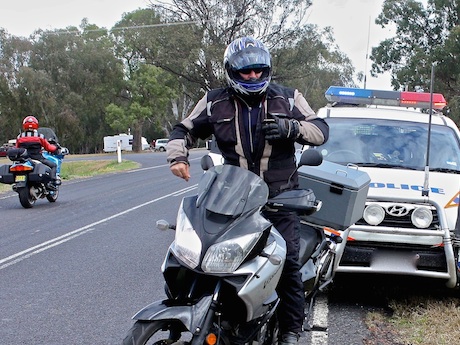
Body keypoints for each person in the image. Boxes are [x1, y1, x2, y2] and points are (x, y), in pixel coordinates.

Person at [166, 36, 329, 344]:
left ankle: (291, 332)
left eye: (258, 70)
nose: (253, 76)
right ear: (231, 72)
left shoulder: (288, 98)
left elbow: (320, 130)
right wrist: (178, 156)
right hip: (234, 197)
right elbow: (183, 129)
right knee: (201, 255)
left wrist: (292, 129)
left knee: (287, 262)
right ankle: (209, 312)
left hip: (280, 198)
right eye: (245, 72)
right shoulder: (215, 101)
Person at [16, 115, 61, 190]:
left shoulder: (19, 137)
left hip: (24, 159)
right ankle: (52, 182)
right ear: (36, 125)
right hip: (38, 158)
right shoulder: (40, 136)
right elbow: (48, 147)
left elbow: (17, 148)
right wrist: (56, 148)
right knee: (53, 165)